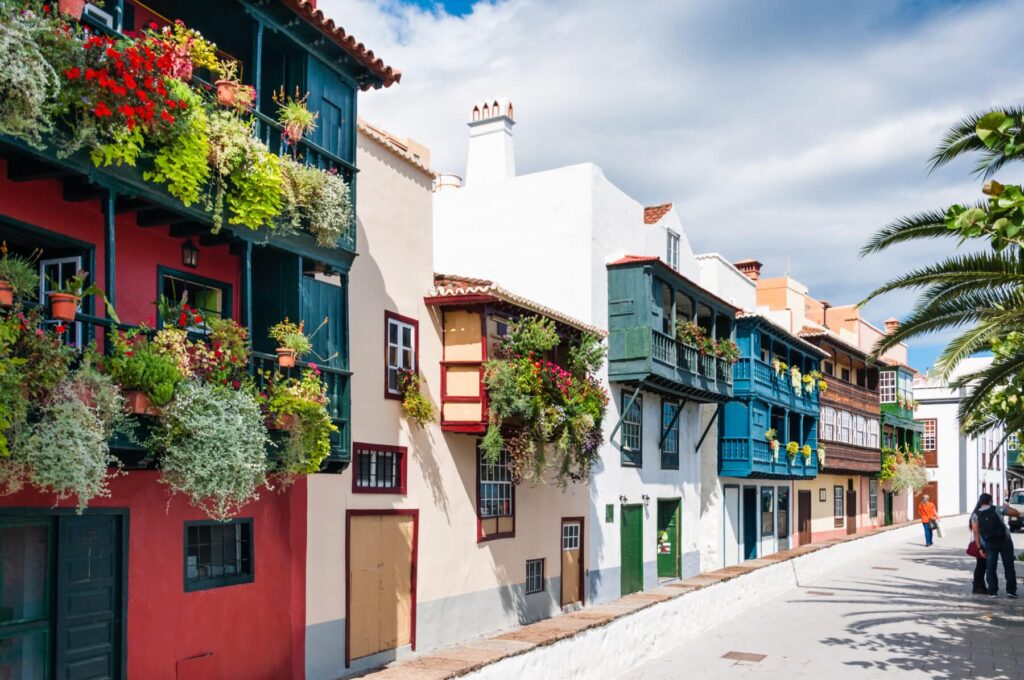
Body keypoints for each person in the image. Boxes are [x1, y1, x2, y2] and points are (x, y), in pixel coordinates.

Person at [970, 492, 1021, 598]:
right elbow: (1016, 513)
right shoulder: (997, 509)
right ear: (990, 501)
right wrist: (1007, 506)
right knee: (1009, 566)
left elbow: (976, 533)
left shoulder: (975, 515)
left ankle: (993, 591)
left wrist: (980, 548)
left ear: (980, 502)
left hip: (990, 542)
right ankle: (1011, 591)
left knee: (991, 567)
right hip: (1005, 540)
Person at [969, 496, 991, 594]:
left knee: (981, 565)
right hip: (981, 543)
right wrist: (980, 548)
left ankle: (979, 585)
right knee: (981, 565)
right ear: (990, 501)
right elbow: (976, 532)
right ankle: (978, 586)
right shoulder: (982, 513)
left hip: (978, 542)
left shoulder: (975, 513)